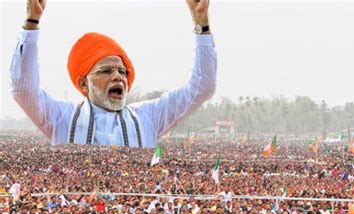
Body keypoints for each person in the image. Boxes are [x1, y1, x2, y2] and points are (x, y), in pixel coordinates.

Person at [11, 0, 216, 148]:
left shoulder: (147, 117)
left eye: (122, 71)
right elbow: (23, 89)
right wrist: (31, 22)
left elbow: (202, 88)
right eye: (106, 71)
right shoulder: (62, 117)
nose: (118, 77)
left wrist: (201, 25)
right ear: (84, 84)